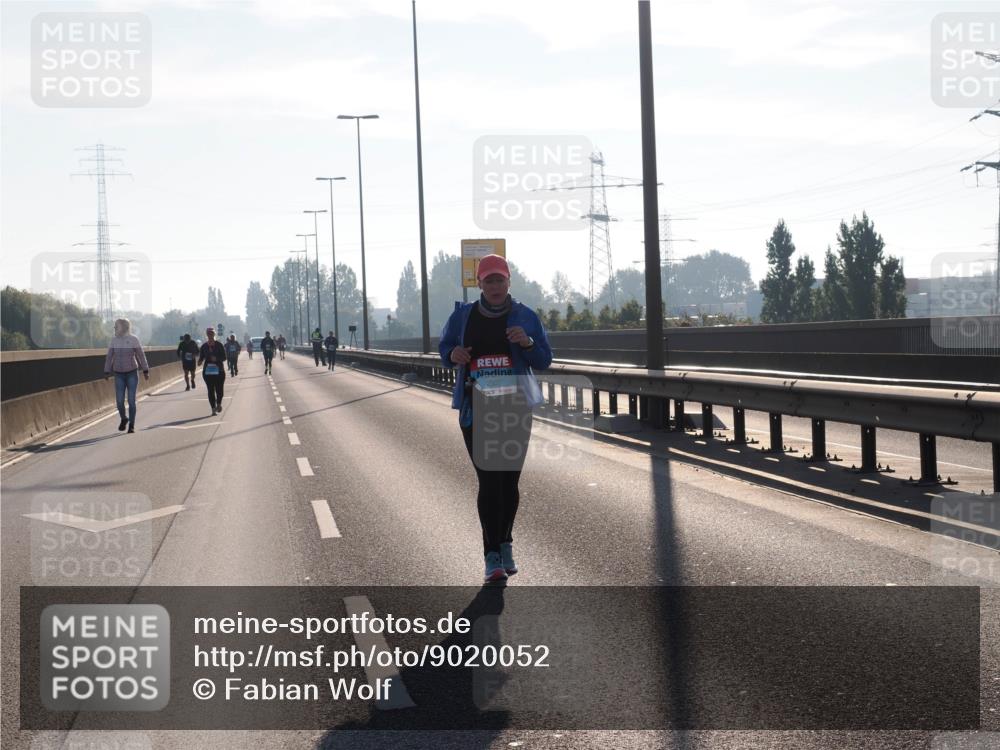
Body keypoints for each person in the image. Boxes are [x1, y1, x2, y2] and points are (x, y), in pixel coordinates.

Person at [438, 254, 552, 583]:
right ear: (479, 284)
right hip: (477, 408)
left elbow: (544, 358)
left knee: (508, 482)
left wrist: (527, 342)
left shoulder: (526, 316)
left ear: (509, 282)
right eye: (488, 280)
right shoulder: (462, 317)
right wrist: (452, 355)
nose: (495, 286)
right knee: (489, 479)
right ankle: (491, 556)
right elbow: (445, 348)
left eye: (500, 279)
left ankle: (505, 544)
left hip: (515, 407)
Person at [103, 318, 150, 434]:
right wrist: (106, 370)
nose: (114, 328)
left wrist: (145, 370)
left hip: (132, 373)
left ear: (123, 327)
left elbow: (141, 355)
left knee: (131, 400)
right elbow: (109, 356)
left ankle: (132, 425)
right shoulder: (114, 340)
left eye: (116, 326)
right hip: (118, 374)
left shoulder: (133, 339)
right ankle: (124, 418)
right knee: (119, 401)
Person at [197, 327, 227, 416]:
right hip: (208, 372)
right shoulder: (204, 346)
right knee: (210, 390)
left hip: (219, 371)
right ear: (206, 334)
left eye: (212, 333)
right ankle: (213, 408)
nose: (210, 335)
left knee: (219, 390)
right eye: (208, 333)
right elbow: (201, 357)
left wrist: (217, 359)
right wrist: (199, 362)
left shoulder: (219, 345)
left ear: (214, 334)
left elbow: (224, 357)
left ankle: (219, 404)